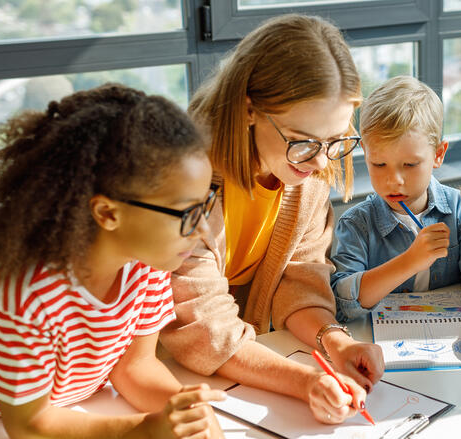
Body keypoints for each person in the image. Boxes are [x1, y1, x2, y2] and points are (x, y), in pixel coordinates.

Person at [0, 84, 226, 437]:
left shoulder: (147, 262)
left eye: (203, 205)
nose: (204, 229)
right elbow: (28, 425)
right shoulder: (21, 293)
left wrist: (190, 411)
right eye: (186, 213)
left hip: (24, 410)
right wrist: (143, 430)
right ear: (107, 213)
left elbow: (135, 366)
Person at [158, 14, 380, 423]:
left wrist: (336, 341)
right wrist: (306, 382)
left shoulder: (305, 175)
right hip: (171, 382)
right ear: (249, 110)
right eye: (304, 141)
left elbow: (300, 284)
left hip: (244, 369)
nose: (319, 161)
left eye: (334, 141)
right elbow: (206, 329)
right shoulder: (185, 179)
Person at [330, 76, 461, 369]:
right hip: (382, 362)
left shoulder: (459, 211)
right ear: (365, 153)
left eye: (410, 165)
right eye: (379, 164)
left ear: (438, 154)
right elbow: (343, 301)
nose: (394, 179)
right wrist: (409, 261)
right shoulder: (356, 224)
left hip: (454, 358)